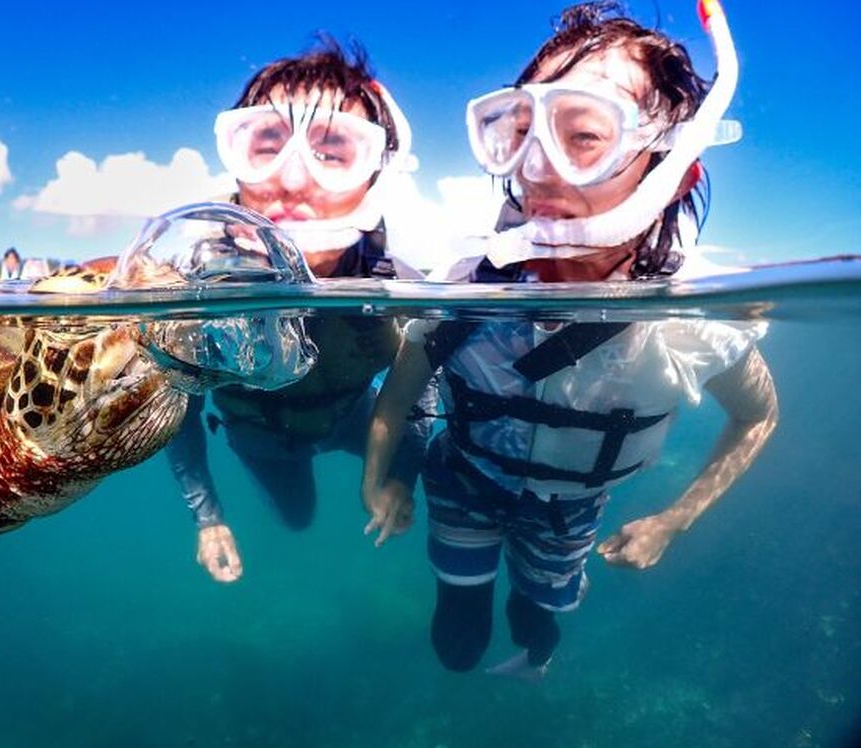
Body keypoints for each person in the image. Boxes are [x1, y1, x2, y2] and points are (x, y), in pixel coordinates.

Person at [362, 0, 778, 676]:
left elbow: (758, 416)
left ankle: (535, 645)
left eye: (584, 135)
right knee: (456, 645)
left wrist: (674, 519)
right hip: (464, 482)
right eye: (521, 133)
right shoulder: (463, 283)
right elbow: (401, 392)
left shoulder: (698, 318)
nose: (537, 168)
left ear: (676, 171)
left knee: (536, 620)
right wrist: (376, 479)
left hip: (568, 513)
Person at [168, 40, 431, 583]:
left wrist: (401, 475)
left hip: (355, 420)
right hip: (263, 441)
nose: (291, 181)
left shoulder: (397, 289)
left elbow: (421, 393)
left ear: (375, 176)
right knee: (298, 517)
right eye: (266, 146)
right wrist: (208, 519)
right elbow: (175, 413)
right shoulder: (195, 290)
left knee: (448, 461)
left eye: (333, 154)